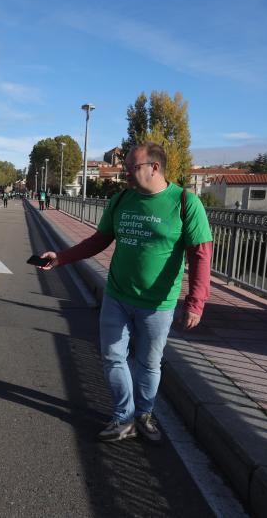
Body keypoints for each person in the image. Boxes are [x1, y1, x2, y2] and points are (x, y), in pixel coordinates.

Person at [38, 142, 212, 443]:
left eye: (130, 168)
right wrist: (62, 258)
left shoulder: (185, 202)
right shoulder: (120, 200)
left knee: (148, 363)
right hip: (117, 296)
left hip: (158, 304)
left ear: (153, 167)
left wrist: (196, 302)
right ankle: (123, 416)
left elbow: (201, 254)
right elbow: (99, 240)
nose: (125, 174)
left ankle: (144, 412)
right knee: (112, 357)